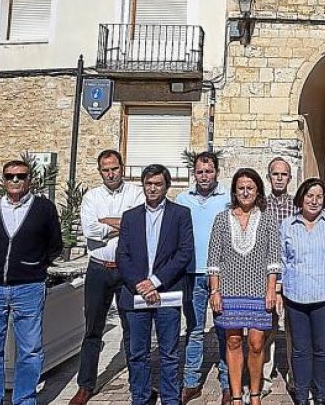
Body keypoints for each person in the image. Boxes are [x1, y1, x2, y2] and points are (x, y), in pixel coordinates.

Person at [0, 159, 64, 405]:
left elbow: (55, 245)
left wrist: (33, 265)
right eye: (10, 176)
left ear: (29, 180)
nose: (15, 180)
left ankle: (24, 398)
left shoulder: (44, 209)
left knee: (31, 350)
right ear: (3, 180)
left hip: (29, 288)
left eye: (21, 176)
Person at [70, 149, 145, 405]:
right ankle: (85, 385)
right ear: (100, 171)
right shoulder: (92, 197)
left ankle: (138, 385)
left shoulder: (135, 193)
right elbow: (89, 229)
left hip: (127, 270)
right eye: (105, 169)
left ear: (122, 168)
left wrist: (107, 223)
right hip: (99, 268)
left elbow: (138, 225)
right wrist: (120, 223)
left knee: (132, 329)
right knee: (92, 329)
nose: (110, 173)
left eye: (114, 168)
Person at [116, 165, 195, 405]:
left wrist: (155, 281)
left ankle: (170, 398)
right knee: (138, 353)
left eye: (157, 184)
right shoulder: (130, 217)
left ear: (166, 186)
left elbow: (184, 253)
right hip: (136, 293)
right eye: (148, 183)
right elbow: (122, 255)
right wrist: (139, 284)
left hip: (167, 292)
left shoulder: (180, 214)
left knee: (169, 353)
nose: (152, 188)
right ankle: (140, 397)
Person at [207, 168, 283, 405]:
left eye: (250, 187)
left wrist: (272, 290)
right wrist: (215, 291)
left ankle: (256, 393)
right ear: (234, 191)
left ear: (258, 190)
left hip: (260, 291)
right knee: (233, 341)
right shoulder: (222, 218)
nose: (245, 192)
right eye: (241, 188)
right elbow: (213, 260)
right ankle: (237, 395)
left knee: (257, 343)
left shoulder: (268, 218)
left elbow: (274, 259)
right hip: (229, 291)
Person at [280, 178, 325, 405]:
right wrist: (279, 292)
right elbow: (281, 262)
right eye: (310, 196)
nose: (314, 201)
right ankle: (301, 395)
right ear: (301, 198)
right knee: (300, 350)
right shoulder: (287, 225)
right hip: (295, 297)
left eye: (319, 196)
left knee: (322, 348)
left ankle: (321, 394)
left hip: (324, 297)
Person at [176, 150, 232, 404]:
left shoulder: (228, 200)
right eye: (199, 172)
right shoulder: (182, 199)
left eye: (209, 171)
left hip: (221, 274)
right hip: (192, 272)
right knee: (195, 330)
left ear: (217, 173)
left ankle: (227, 383)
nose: (204, 176)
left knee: (224, 329)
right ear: (194, 173)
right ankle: (191, 382)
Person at [263, 157, 298, 397]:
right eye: (275, 174)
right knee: (267, 329)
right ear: (268, 177)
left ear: (289, 178)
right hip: (267, 277)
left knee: (295, 330)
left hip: (293, 276)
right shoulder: (259, 206)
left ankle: (296, 379)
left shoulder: (298, 206)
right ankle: (264, 378)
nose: (279, 178)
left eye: (283, 174)